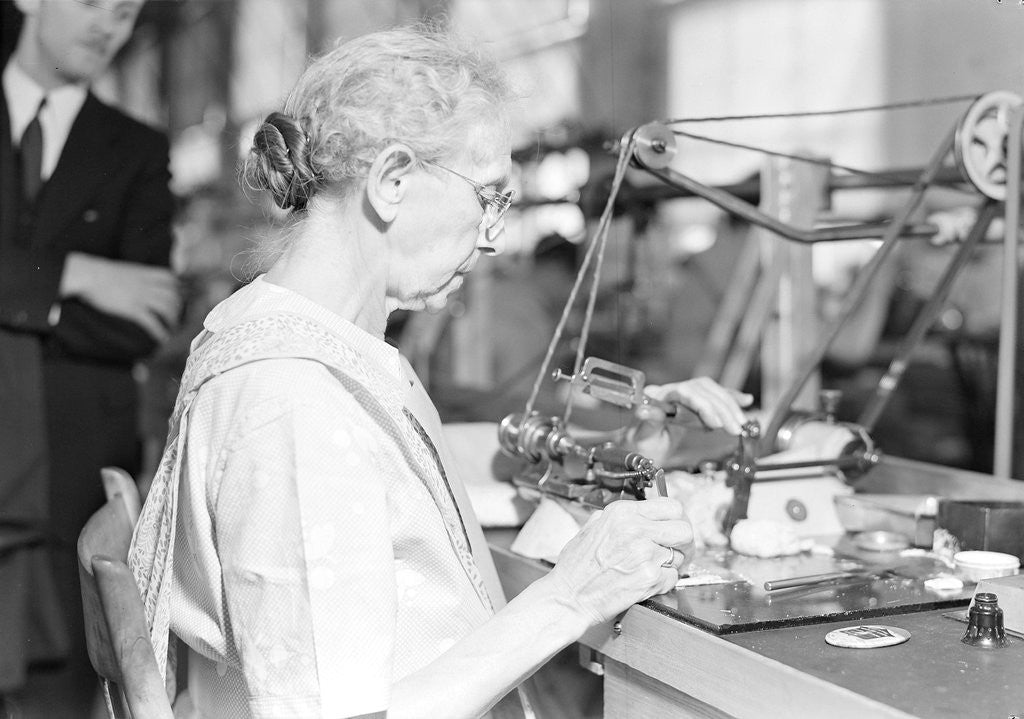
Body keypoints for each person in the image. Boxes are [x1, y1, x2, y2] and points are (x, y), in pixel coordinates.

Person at [129, 25, 749, 718]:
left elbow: (410, 490)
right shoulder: (294, 403)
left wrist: (629, 440)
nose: (492, 235)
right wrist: (572, 593)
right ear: (392, 181)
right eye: (488, 196)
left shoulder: (292, 337)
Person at [0, 0, 180, 709]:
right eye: (92, 2)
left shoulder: (136, 146)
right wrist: (76, 276)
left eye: (128, 11)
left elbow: (142, 324)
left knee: (63, 688)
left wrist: (18, 297)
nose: (110, 24)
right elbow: (108, 309)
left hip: (67, 467)